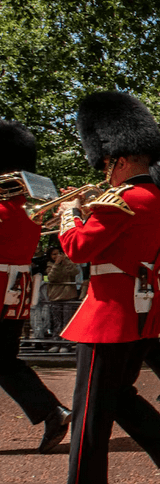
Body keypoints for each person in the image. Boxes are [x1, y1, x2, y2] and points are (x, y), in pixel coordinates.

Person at [36, 92, 160, 484]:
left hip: (107, 314)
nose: (105, 170)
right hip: (139, 314)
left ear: (119, 158)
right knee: (118, 397)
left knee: (91, 410)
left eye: (107, 161)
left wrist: (72, 214)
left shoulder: (122, 201)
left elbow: (77, 249)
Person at [0, 119, 72, 454]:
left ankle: (50, 410)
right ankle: (50, 410)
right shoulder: (29, 208)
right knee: (4, 361)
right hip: (16, 292)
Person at [44, 244, 82, 350]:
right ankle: (56, 343)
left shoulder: (68, 262)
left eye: (59, 253)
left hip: (69, 296)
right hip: (55, 297)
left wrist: (65, 261)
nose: (57, 256)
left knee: (67, 321)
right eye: (54, 254)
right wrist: (57, 264)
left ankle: (66, 344)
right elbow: (51, 277)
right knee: (57, 322)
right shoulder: (49, 265)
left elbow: (75, 272)